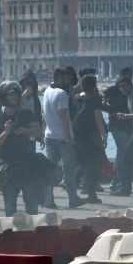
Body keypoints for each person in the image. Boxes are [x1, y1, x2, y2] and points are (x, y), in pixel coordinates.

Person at [0, 81, 46, 217]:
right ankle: (11, 233)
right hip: (7, 165)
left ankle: (33, 231)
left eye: (16, 93)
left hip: (26, 162)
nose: (14, 97)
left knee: (31, 202)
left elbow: (38, 131)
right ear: (4, 97)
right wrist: (6, 132)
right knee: (9, 204)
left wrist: (24, 131)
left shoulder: (26, 114)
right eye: (10, 94)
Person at [43, 68, 84, 208]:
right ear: (60, 78)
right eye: (66, 79)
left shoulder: (47, 91)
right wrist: (69, 137)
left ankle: (49, 200)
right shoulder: (61, 94)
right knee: (69, 170)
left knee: (50, 170)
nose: (68, 81)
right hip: (62, 137)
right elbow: (64, 117)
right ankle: (73, 199)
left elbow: (44, 114)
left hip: (49, 136)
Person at [72, 73, 107, 204]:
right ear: (94, 86)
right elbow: (98, 118)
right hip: (90, 134)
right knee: (92, 164)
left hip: (78, 132)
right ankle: (92, 195)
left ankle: (71, 184)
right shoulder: (94, 100)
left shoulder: (77, 98)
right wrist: (103, 135)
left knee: (83, 162)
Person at [102, 68, 133, 161]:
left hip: (129, 124)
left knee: (125, 151)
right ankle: (121, 174)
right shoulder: (112, 90)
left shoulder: (130, 90)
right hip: (117, 125)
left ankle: (119, 173)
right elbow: (100, 101)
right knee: (123, 150)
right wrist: (110, 111)